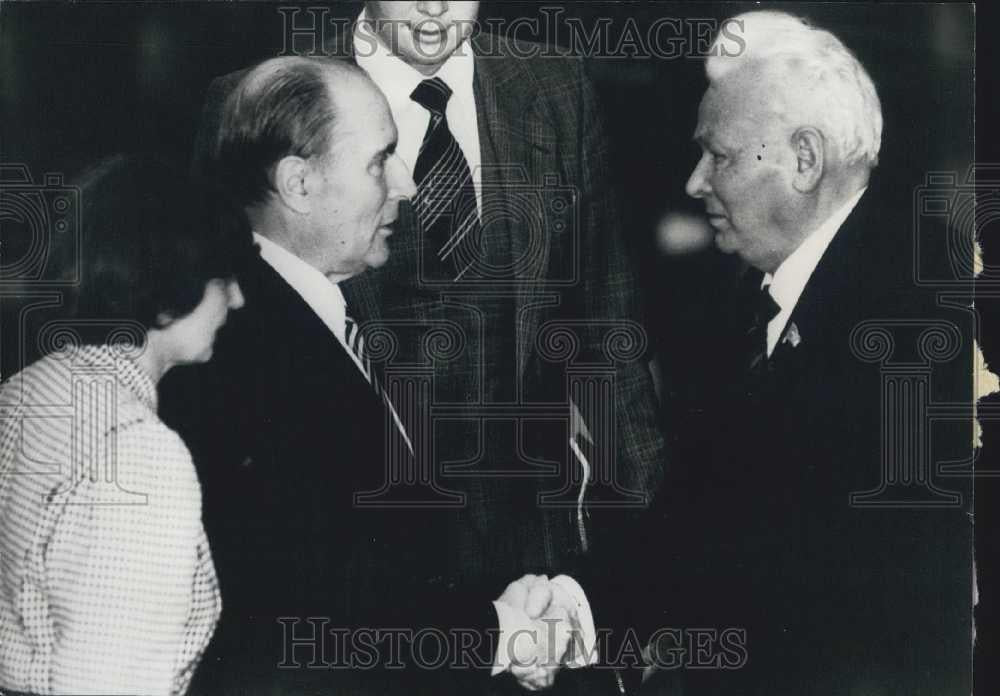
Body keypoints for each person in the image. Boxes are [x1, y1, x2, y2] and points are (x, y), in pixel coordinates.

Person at [160, 56, 592, 695]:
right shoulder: (243, 351)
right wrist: (499, 633)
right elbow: (308, 610)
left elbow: (382, 559)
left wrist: (501, 612)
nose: (407, 184)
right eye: (379, 160)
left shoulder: (308, 312)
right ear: (299, 184)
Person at [621, 10, 971, 695]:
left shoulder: (912, 335)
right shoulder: (747, 303)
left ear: (804, 160)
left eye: (718, 155)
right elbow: (701, 517)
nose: (695, 183)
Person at [0, 155, 249, 695]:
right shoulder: (138, 455)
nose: (237, 297)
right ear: (170, 282)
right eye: (223, 275)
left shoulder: (26, 390)